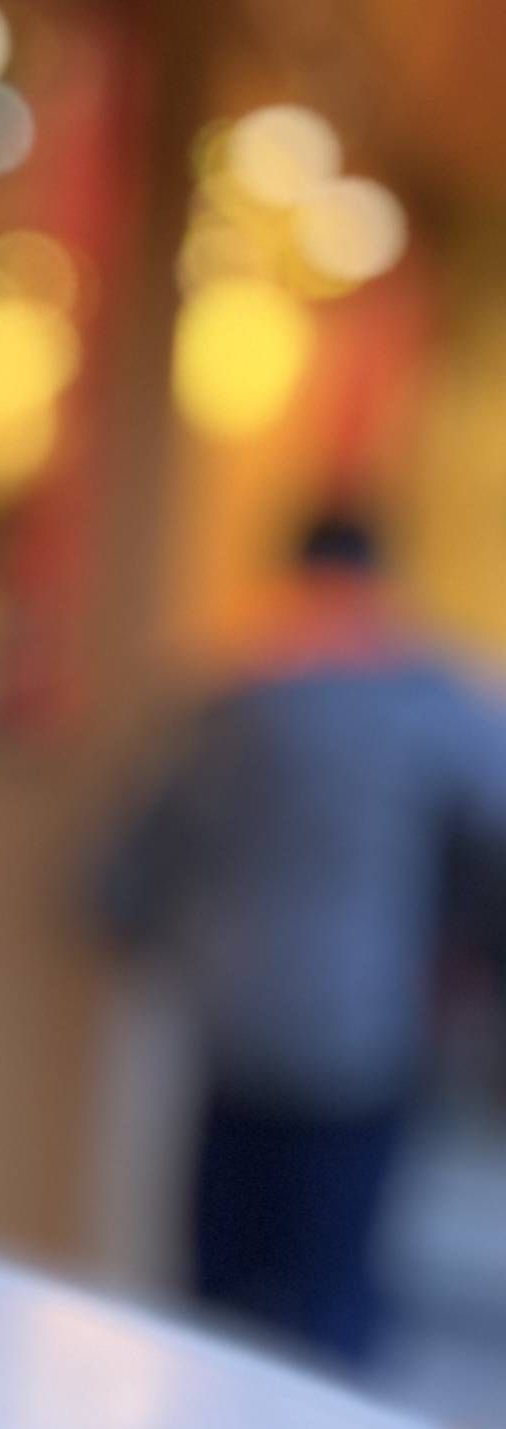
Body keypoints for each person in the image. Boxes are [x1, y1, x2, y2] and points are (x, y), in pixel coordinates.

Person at [98, 509, 506, 1362]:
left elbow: (136, 859)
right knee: (332, 1285)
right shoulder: (438, 704)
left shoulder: (231, 699)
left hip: (236, 1017)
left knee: (222, 1275)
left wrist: (134, 930)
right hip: (367, 1027)